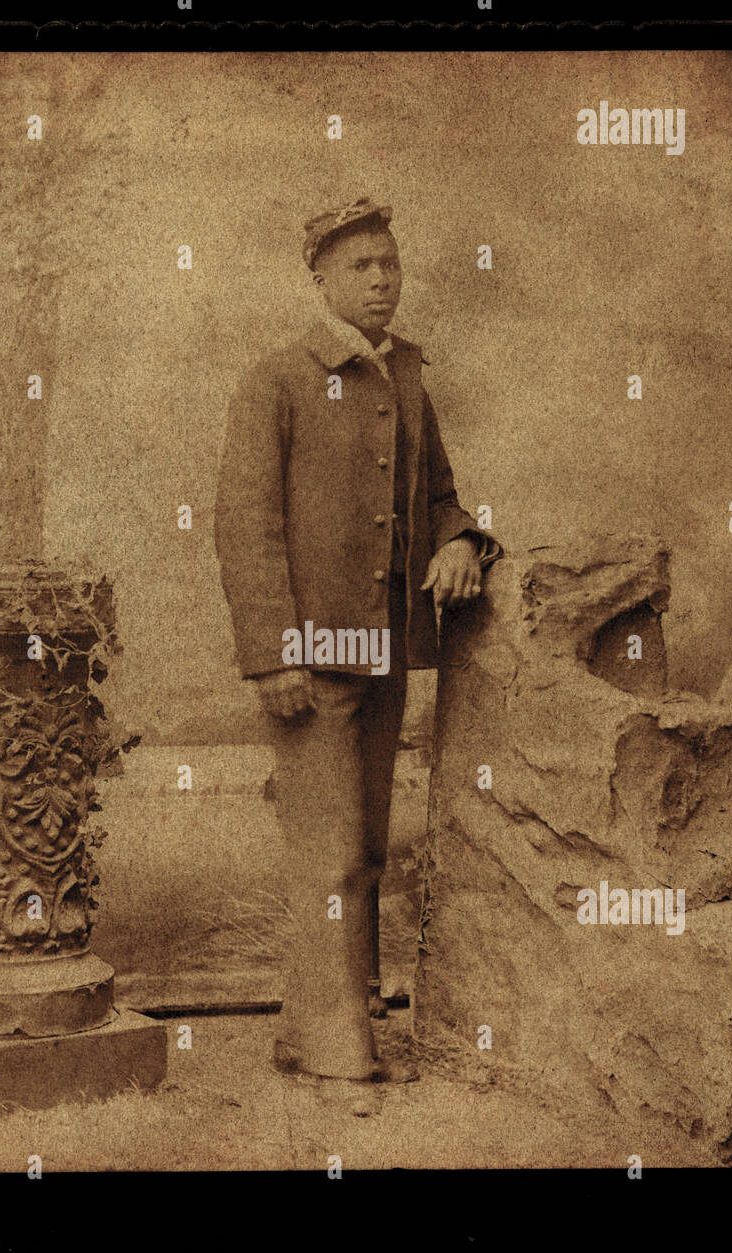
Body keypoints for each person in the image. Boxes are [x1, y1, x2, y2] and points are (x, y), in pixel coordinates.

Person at [214, 197, 501, 1110]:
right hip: (309, 657)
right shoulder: (278, 380)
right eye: (361, 268)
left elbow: (443, 498)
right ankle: (343, 1056)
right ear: (322, 281)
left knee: (365, 852)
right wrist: (272, 656)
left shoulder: (407, 378)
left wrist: (462, 543)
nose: (382, 280)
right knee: (329, 855)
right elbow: (244, 528)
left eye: (390, 265)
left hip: (382, 655)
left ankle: (313, 1031)